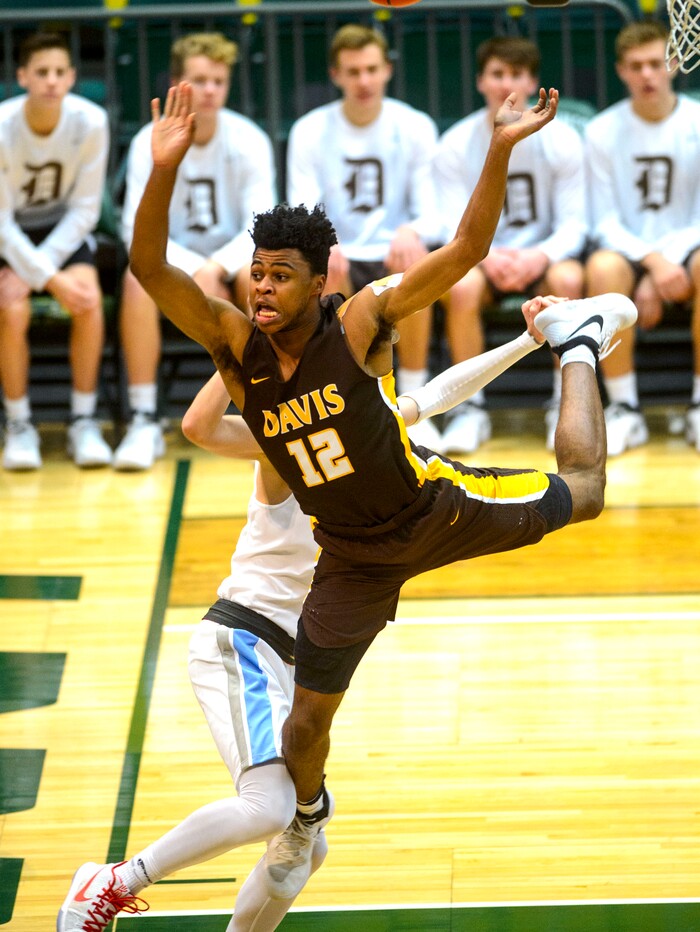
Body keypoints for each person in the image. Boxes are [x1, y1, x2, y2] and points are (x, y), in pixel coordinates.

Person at [128, 80, 636, 904]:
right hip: (354, 559)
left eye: (279, 277)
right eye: (255, 274)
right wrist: (162, 172)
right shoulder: (233, 347)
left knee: (585, 492)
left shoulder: (361, 321)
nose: (260, 289)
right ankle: (305, 820)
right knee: (301, 732)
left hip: (433, 509)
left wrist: (501, 147)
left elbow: (467, 249)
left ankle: (577, 346)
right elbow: (149, 267)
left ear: (316, 279)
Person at [58, 315, 556, 929]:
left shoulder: (375, 441)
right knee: (269, 810)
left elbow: (442, 392)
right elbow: (197, 426)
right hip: (242, 636)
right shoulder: (288, 447)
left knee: (305, 843)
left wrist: (528, 341)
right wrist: (239, 348)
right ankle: (110, 883)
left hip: (293, 660)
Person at [115, 31, 276, 471]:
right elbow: (136, 225)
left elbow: (261, 224)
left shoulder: (250, 139)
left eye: (218, 81)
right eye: (199, 81)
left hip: (237, 256)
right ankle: (145, 418)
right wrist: (193, 269)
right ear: (177, 84)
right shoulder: (148, 141)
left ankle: (268, 410)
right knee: (134, 282)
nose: (210, 91)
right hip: (174, 263)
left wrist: (217, 265)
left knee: (262, 280)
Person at [285, 23, 443, 449]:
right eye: (353, 71)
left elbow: (435, 214)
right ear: (336, 75)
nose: (364, 81)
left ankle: (413, 401)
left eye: (372, 69)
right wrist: (325, 243)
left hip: (393, 250)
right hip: (341, 253)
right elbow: (302, 211)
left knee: (417, 264)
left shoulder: (415, 126)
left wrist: (412, 230)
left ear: (387, 70)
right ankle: (344, 403)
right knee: (320, 269)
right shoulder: (309, 130)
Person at [433, 36, 588, 454]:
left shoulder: (563, 141)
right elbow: (451, 224)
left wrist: (540, 255)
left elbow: (576, 224)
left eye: (517, 74)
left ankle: (565, 403)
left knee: (569, 277)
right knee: (460, 287)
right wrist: (488, 258)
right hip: (481, 260)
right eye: (497, 74)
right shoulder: (455, 143)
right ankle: (469, 410)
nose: (507, 84)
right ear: (481, 81)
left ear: (533, 80)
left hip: (542, 254)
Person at [584, 20, 700, 456]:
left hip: (687, 247)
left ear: (673, 64)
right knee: (602, 267)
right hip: (630, 249)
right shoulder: (602, 130)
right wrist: (653, 263)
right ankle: (625, 409)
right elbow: (604, 221)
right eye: (636, 66)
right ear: (621, 71)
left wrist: (662, 265)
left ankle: (698, 406)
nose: (647, 74)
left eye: (655, 63)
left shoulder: (697, 120)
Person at [0, 31, 112, 471]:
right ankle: (19, 423)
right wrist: (46, 277)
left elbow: (85, 210)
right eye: (41, 72)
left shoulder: (91, 122)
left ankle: (84, 421)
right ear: (22, 76)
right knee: (11, 308)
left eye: (59, 72)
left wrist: (42, 273)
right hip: (10, 236)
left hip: (63, 231)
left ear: (71, 78)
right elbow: (2, 222)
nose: (51, 81)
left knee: (87, 302)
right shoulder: (2, 126)